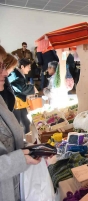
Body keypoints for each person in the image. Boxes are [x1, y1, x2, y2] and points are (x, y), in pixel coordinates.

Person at [0, 47, 41, 201]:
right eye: (0, 67)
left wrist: (28, 148)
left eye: (4, 66)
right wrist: (19, 159)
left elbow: (7, 141)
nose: (5, 73)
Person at [8, 58, 38, 134]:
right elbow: (22, 89)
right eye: (28, 67)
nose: (30, 69)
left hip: (20, 102)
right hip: (16, 102)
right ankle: (19, 141)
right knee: (17, 123)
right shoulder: (16, 76)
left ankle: (27, 138)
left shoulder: (18, 74)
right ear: (22, 67)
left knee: (26, 122)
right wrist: (33, 88)